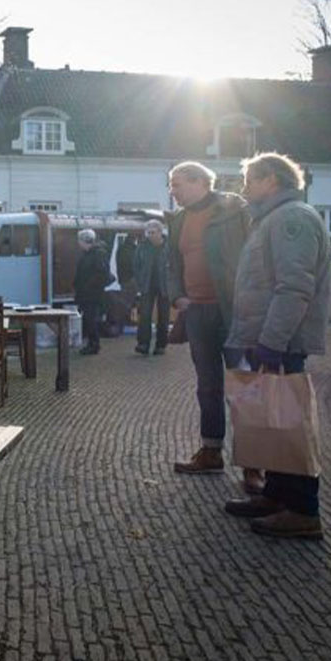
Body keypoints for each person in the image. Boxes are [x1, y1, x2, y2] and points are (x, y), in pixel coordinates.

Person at [221, 153, 330, 540]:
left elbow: (295, 287)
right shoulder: (275, 218)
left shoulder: (292, 219)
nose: (244, 187)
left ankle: (303, 509)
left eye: (249, 179)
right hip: (271, 338)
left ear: (270, 180)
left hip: (281, 341)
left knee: (290, 421)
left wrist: (271, 341)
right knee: (275, 417)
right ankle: (278, 496)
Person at [164, 162, 256, 488]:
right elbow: (172, 263)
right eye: (170, 185)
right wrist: (177, 297)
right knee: (207, 385)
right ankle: (211, 451)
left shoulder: (234, 209)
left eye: (176, 184)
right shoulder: (177, 220)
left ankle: (253, 465)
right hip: (198, 315)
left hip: (235, 313)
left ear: (200, 181)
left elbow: (256, 254)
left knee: (245, 385)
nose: (171, 191)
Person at [133, 219, 171, 355]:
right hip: (146, 285)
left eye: (153, 232)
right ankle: (143, 344)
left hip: (164, 286)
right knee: (144, 316)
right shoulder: (142, 246)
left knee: (164, 317)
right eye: (148, 232)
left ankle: (161, 345)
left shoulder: (170, 246)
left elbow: (176, 266)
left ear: (160, 232)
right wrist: (139, 282)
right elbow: (136, 265)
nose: (150, 235)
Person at [73, 229, 110, 355]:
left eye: (79, 241)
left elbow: (101, 274)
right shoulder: (92, 253)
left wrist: (88, 286)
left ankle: (94, 344)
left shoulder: (96, 254)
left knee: (91, 319)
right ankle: (92, 343)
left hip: (92, 294)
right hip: (89, 293)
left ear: (84, 241)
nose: (78, 244)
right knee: (90, 319)